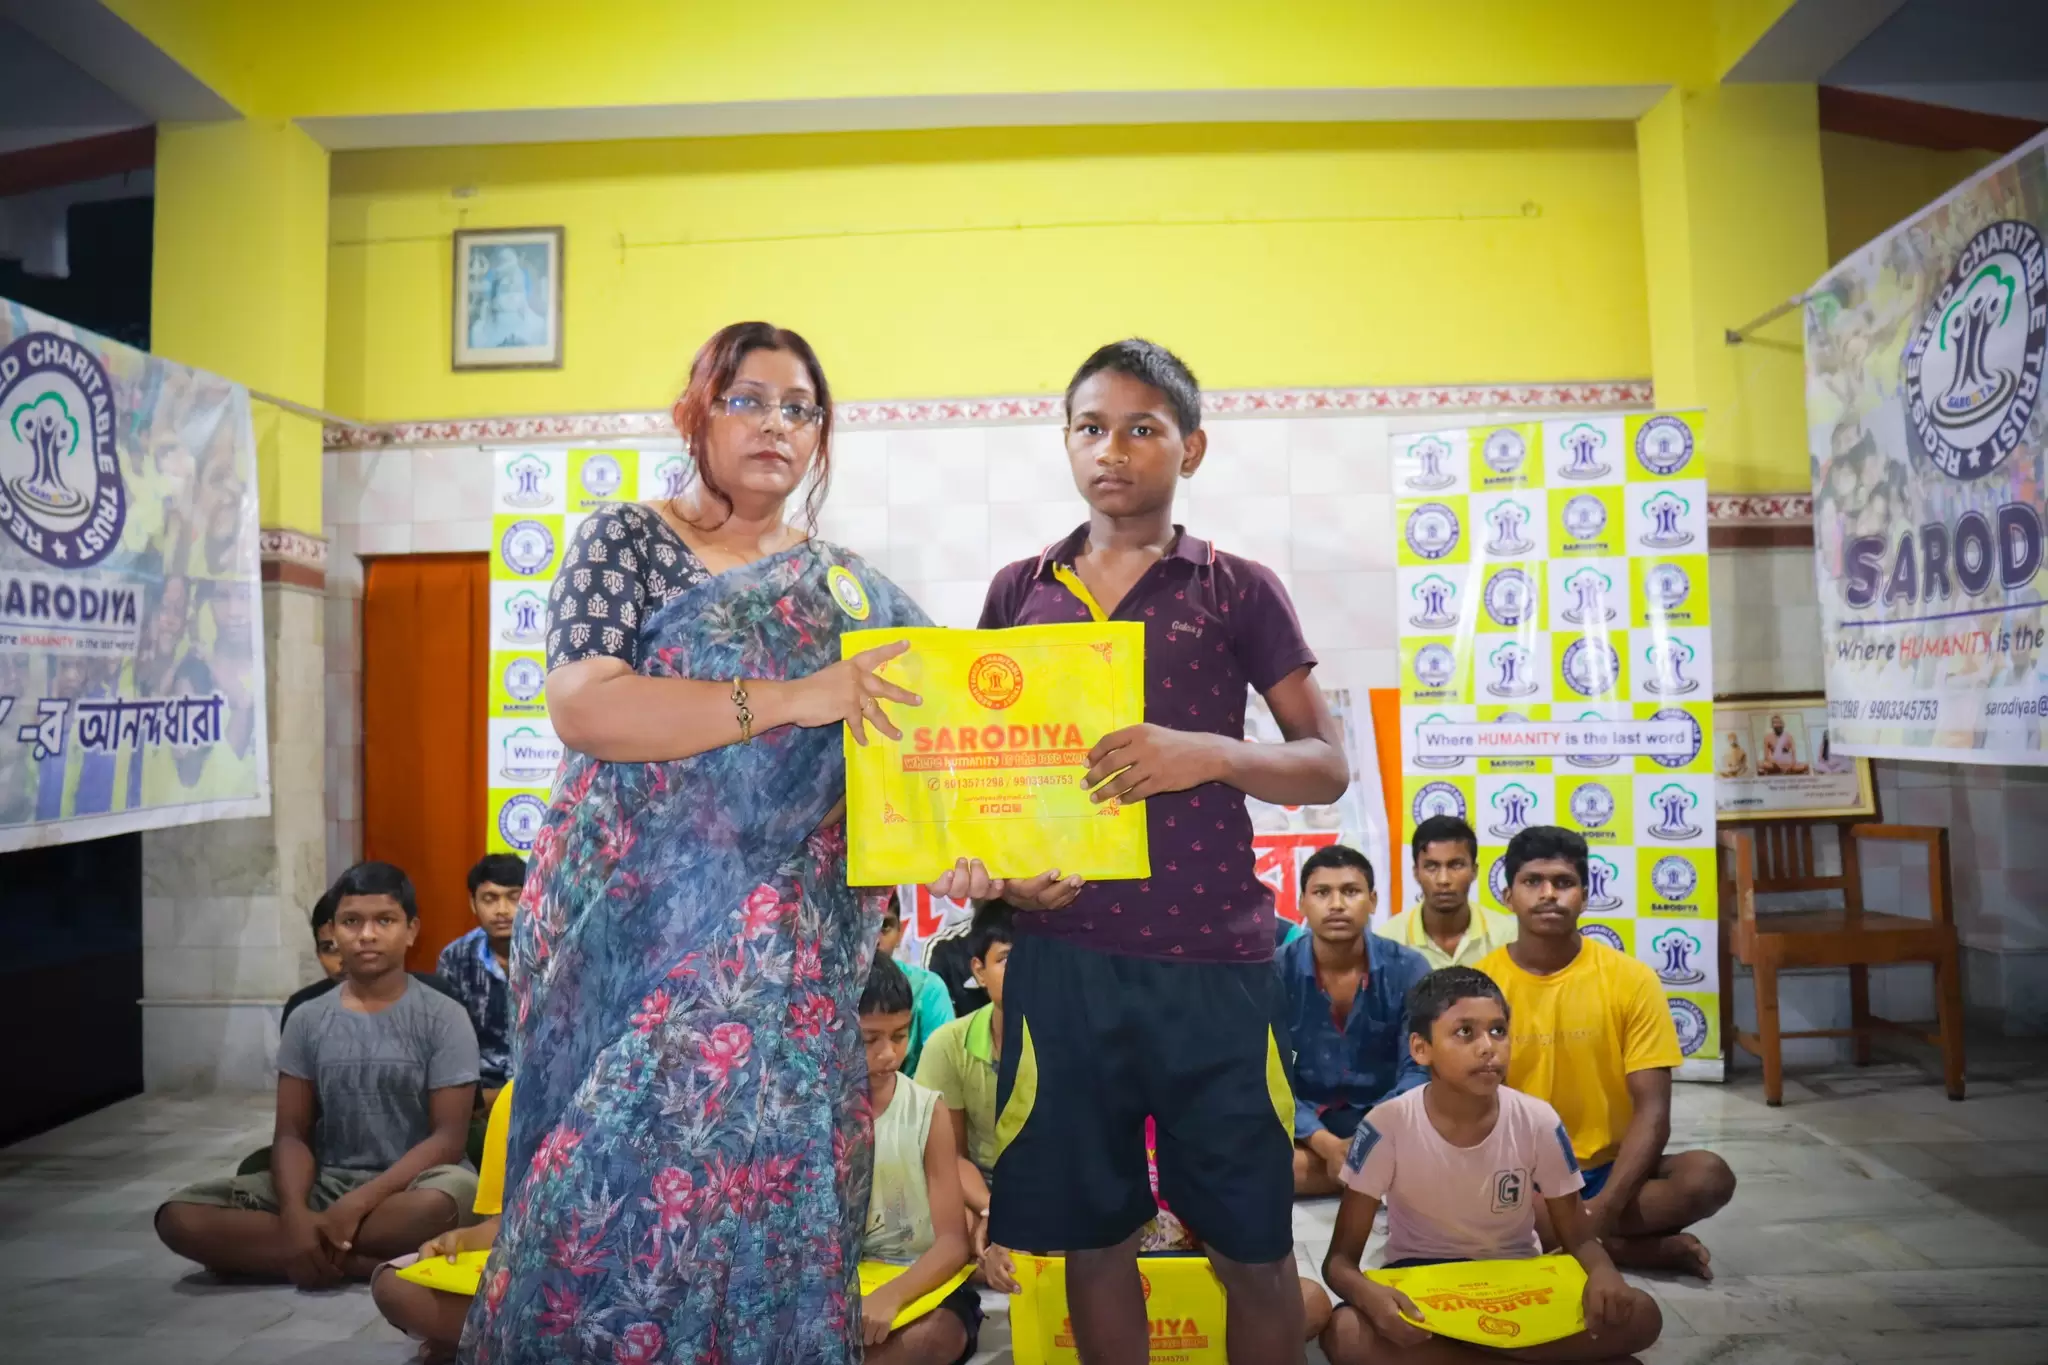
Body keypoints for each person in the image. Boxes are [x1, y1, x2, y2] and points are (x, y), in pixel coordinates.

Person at [468, 322, 931, 1363]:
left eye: (800, 409)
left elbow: (924, 741)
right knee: (610, 1201)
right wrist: (794, 697)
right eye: (748, 400)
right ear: (696, 412)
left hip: (791, 967)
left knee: (771, 1197)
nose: (776, 425)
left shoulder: (846, 588)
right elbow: (587, 708)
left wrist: (998, 845)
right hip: (636, 945)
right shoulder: (627, 541)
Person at [935, 338, 1350, 1364]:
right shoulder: (1019, 589)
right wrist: (995, 871)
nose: (1110, 449)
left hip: (1213, 962)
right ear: (1065, 441)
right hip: (1064, 963)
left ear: (1190, 448)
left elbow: (1325, 764)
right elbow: (981, 777)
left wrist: (1208, 752)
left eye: (1140, 428)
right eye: (1090, 427)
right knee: (1095, 1239)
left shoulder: (1235, 589)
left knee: (1252, 1245)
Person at [155, 861, 480, 1286]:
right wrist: (295, 1214)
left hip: (416, 1186)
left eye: (384, 920)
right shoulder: (307, 1019)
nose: (366, 935)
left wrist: (356, 1206)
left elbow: (448, 1139)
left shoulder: (445, 1016)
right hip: (327, 1182)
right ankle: (356, 1262)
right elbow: (292, 1133)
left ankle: (292, 1255)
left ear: (411, 931)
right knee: (180, 1218)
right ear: (334, 931)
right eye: (351, 922)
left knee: (443, 1205)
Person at [1319, 968, 1663, 1364]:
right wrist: (1370, 1295)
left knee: (1642, 1315)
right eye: (1465, 1032)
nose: (1488, 1047)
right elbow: (1339, 1262)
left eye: (1498, 1031)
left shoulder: (1538, 1120)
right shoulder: (1387, 1124)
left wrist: (1603, 1274)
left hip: (1518, 1282)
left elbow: (1580, 1239)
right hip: (1426, 1286)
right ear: (1421, 1048)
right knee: (1346, 1333)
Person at [1478, 826, 1736, 1280]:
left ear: (1585, 896)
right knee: (1465, 1197)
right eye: (1532, 881)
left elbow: (1653, 1111)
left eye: (1563, 882)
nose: (1548, 894)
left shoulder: (1630, 980)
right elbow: (1468, 1109)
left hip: (1609, 1171)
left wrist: (1601, 1211)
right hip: (1520, 1179)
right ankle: (1635, 1251)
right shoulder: (1481, 987)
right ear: (1507, 896)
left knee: (1708, 1176)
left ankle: (1582, 1240)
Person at [1278, 845, 1430, 1197]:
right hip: (1305, 1133)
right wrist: (1326, 1143)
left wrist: (1368, 1135)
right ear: (1301, 903)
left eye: (1350, 891)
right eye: (1322, 893)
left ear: (1373, 901)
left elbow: (1418, 1068)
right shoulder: (1275, 972)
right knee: (1261, 1164)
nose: (1336, 904)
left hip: (1388, 1124)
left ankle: (1353, 1170)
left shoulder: (1408, 968)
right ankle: (1368, 1173)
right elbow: (1268, 1078)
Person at [858, 956, 980, 1365]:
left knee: (934, 1338)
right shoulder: (814, 1114)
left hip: (922, 1280)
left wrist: (893, 1295)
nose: (888, 1054)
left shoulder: (928, 1110)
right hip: (842, 1288)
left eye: (900, 1035)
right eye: (869, 1039)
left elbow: (952, 1244)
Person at [370, 1082, 515, 1364]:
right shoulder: (515, 1097)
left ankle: (482, 1339)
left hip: (599, 1295)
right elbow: (502, 1225)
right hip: (531, 1288)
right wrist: (461, 1240)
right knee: (393, 1285)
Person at [915, 902, 1013, 1272]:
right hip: (977, 1187)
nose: (1021, 971)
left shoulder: (1073, 1041)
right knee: (951, 1229)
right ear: (979, 971)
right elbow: (950, 1156)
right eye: (1006, 958)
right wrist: (991, 1211)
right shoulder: (948, 1045)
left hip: (1051, 1185)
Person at [436, 852, 525, 1101]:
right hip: (479, 1092)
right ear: (473, 904)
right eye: (490, 899)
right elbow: (449, 1044)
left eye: (514, 897)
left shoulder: (557, 954)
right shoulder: (455, 958)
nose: (502, 910)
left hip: (542, 1091)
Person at [1382, 816, 1517, 970]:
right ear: (1416, 873)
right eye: (1431, 867)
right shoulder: (1388, 943)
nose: (1443, 879)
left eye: (1456, 865)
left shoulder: (1508, 939)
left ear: (1474, 871)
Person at [878, 889, 957, 1075]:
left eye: (885, 926)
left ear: (900, 933)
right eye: (862, 926)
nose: (874, 940)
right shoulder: (824, 995)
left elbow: (944, 1072)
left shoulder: (928, 988)